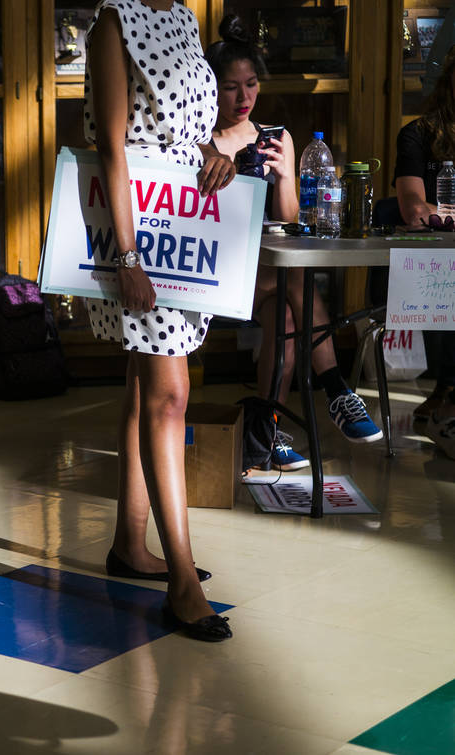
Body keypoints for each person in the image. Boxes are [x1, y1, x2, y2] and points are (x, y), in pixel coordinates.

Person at [84, 0, 233, 641]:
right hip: (139, 231)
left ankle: (129, 544)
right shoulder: (114, 21)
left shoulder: (182, 17)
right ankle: (182, 582)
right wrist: (128, 255)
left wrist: (215, 150)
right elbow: (111, 147)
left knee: (145, 389)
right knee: (171, 396)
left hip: (183, 220)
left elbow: (186, 126)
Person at [205, 15, 383, 473]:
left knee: (287, 308)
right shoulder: (199, 143)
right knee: (292, 281)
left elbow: (289, 223)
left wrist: (286, 172)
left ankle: (264, 434)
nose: (244, 98)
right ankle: (334, 385)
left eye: (251, 85)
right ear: (211, 88)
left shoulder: (274, 137)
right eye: (230, 87)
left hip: (267, 276)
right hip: (216, 272)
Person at [393, 44, 455, 460]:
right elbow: (415, 209)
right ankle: (448, 393)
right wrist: (436, 212)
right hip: (427, 263)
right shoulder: (418, 134)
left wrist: (444, 212)